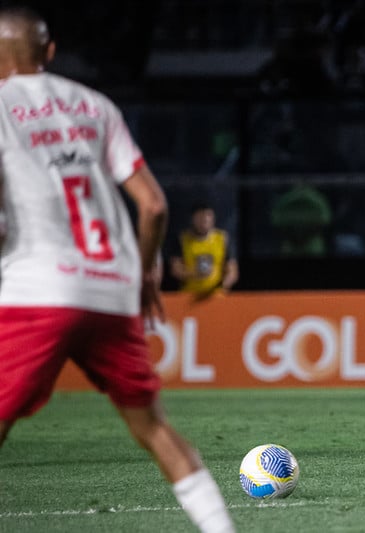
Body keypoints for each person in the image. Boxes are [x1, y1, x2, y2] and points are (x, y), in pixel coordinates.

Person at [0, 9, 234, 532]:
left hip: (38, 290)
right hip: (112, 288)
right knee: (154, 429)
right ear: (50, 53)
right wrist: (147, 271)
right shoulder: (96, 106)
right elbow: (152, 205)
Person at [169, 202, 239, 299]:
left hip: (217, 296)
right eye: (200, 218)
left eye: (207, 217)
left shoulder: (222, 239)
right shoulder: (182, 239)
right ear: (193, 219)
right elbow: (175, 269)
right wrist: (195, 274)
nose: (204, 221)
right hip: (189, 296)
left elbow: (232, 270)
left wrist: (223, 284)